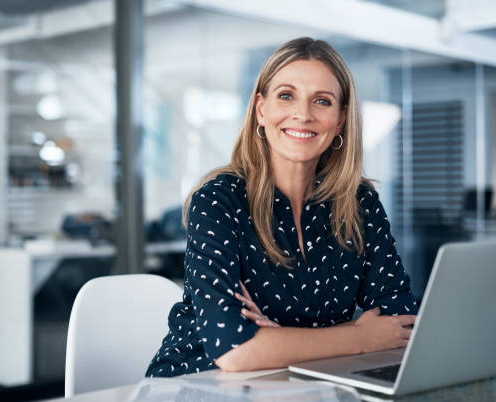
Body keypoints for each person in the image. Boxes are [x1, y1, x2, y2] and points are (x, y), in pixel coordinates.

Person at [145, 37, 418, 377]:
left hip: (296, 383)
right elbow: (234, 351)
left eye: (322, 101)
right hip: (197, 383)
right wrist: (359, 337)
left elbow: (401, 324)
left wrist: (278, 341)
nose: (303, 114)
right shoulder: (219, 201)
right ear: (261, 109)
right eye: (286, 96)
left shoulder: (359, 202)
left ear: (341, 119)